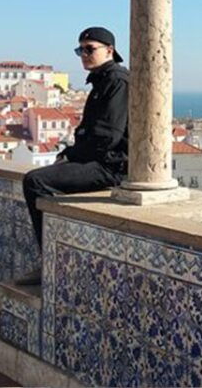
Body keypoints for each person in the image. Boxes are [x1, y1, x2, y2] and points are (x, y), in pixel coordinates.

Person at [19, 27, 128, 284]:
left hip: (111, 167)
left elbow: (106, 136)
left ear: (109, 50)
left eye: (90, 49)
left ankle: (51, 261)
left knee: (35, 181)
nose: (84, 55)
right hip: (100, 159)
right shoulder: (104, 80)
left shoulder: (117, 81)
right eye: (80, 50)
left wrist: (71, 156)